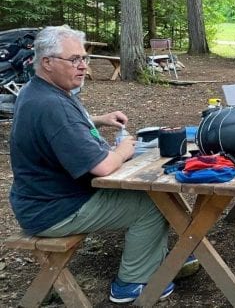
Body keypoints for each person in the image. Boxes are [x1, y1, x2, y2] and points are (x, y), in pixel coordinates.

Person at [8, 25, 195, 303]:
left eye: (84, 59)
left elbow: (62, 126)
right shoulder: (51, 105)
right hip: (53, 210)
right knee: (152, 204)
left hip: (40, 200)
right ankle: (132, 283)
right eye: (74, 60)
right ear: (46, 63)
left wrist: (97, 119)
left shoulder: (35, 91)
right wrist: (122, 149)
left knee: (154, 193)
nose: (83, 66)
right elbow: (104, 168)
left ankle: (156, 257)